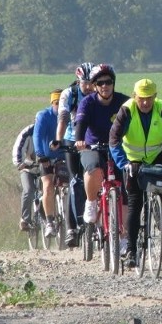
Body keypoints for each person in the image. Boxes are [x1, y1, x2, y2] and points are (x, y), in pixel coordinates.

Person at [109, 79, 162, 268]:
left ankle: (159, 208)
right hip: (132, 160)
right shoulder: (126, 110)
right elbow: (114, 140)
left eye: (149, 98)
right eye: (141, 98)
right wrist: (124, 163)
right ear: (135, 96)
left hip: (157, 155)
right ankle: (131, 250)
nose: (145, 103)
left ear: (155, 96)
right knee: (135, 203)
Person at [74, 64, 130, 230]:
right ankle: (91, 202)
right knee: (94, 168)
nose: (105, 86)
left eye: (108, 82)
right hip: (93, 146)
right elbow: (81, 124)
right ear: (94, 86)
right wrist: (79, 141)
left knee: (126, 191)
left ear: (113, 83)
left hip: (119, 147)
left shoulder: (124, 102)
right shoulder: (87, 103)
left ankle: (125, 237)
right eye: (100, 83)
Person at [51, 62, 96, 247]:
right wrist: (58, 140)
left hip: (92, 138)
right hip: (72, 138)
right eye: (84, 82)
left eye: (90, 82)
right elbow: (62, 118)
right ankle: (72, 228)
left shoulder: (99, 92)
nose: (88, 86)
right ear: (78, 81)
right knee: (75, 180)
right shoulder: (69, 94)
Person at [33, 89, 65, 238]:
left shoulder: (69, 115)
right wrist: (41, 155)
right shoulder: (44, 116)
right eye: (57, 103)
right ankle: (50, 223)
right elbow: (37, 137)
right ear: (52, 103)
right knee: (48, 187)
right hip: (47, 158)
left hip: (65, 157)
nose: (60, 106)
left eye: (62, 103)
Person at [12, 123, 39, 232]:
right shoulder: (28, 133)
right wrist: (19, 162)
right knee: (28, 190)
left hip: (45, 168)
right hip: (28, 168)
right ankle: (25, 219)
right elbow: (18, 147)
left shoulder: (51, 129)